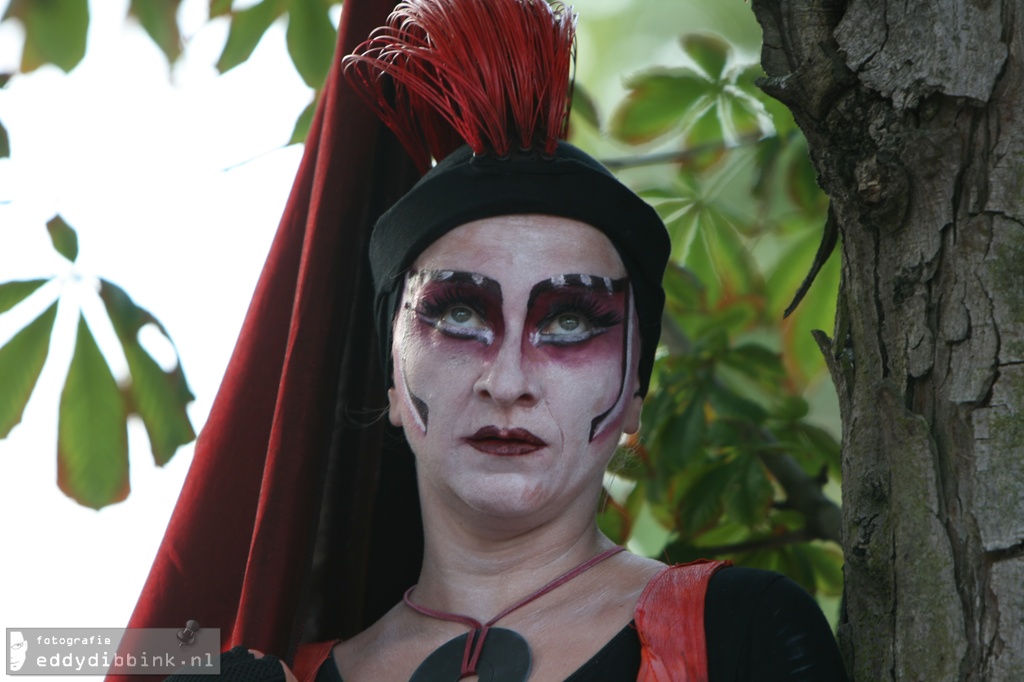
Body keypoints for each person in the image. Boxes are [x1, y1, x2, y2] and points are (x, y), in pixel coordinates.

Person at [144, 1, 847, 680]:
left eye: (569, 322)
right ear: (392, 380)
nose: (507, 380)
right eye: (457, 315)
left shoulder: (741, 634)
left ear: (635, 390)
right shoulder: (288, 673)